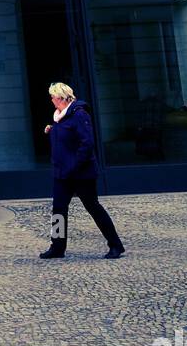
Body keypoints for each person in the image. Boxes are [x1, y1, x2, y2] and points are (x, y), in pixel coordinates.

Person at [40, 82, 125, 260]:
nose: (51, 99)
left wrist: (73, 165)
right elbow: (66, 138)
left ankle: (115, 245)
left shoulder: (79, 115)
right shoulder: (59, 117)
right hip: (62, 174)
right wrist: (52, 131)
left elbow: (86, 144)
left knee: (93, 207)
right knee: (58, 210)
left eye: (53, 96)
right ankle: (57, 247)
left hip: (81, 174)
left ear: (62, 97)